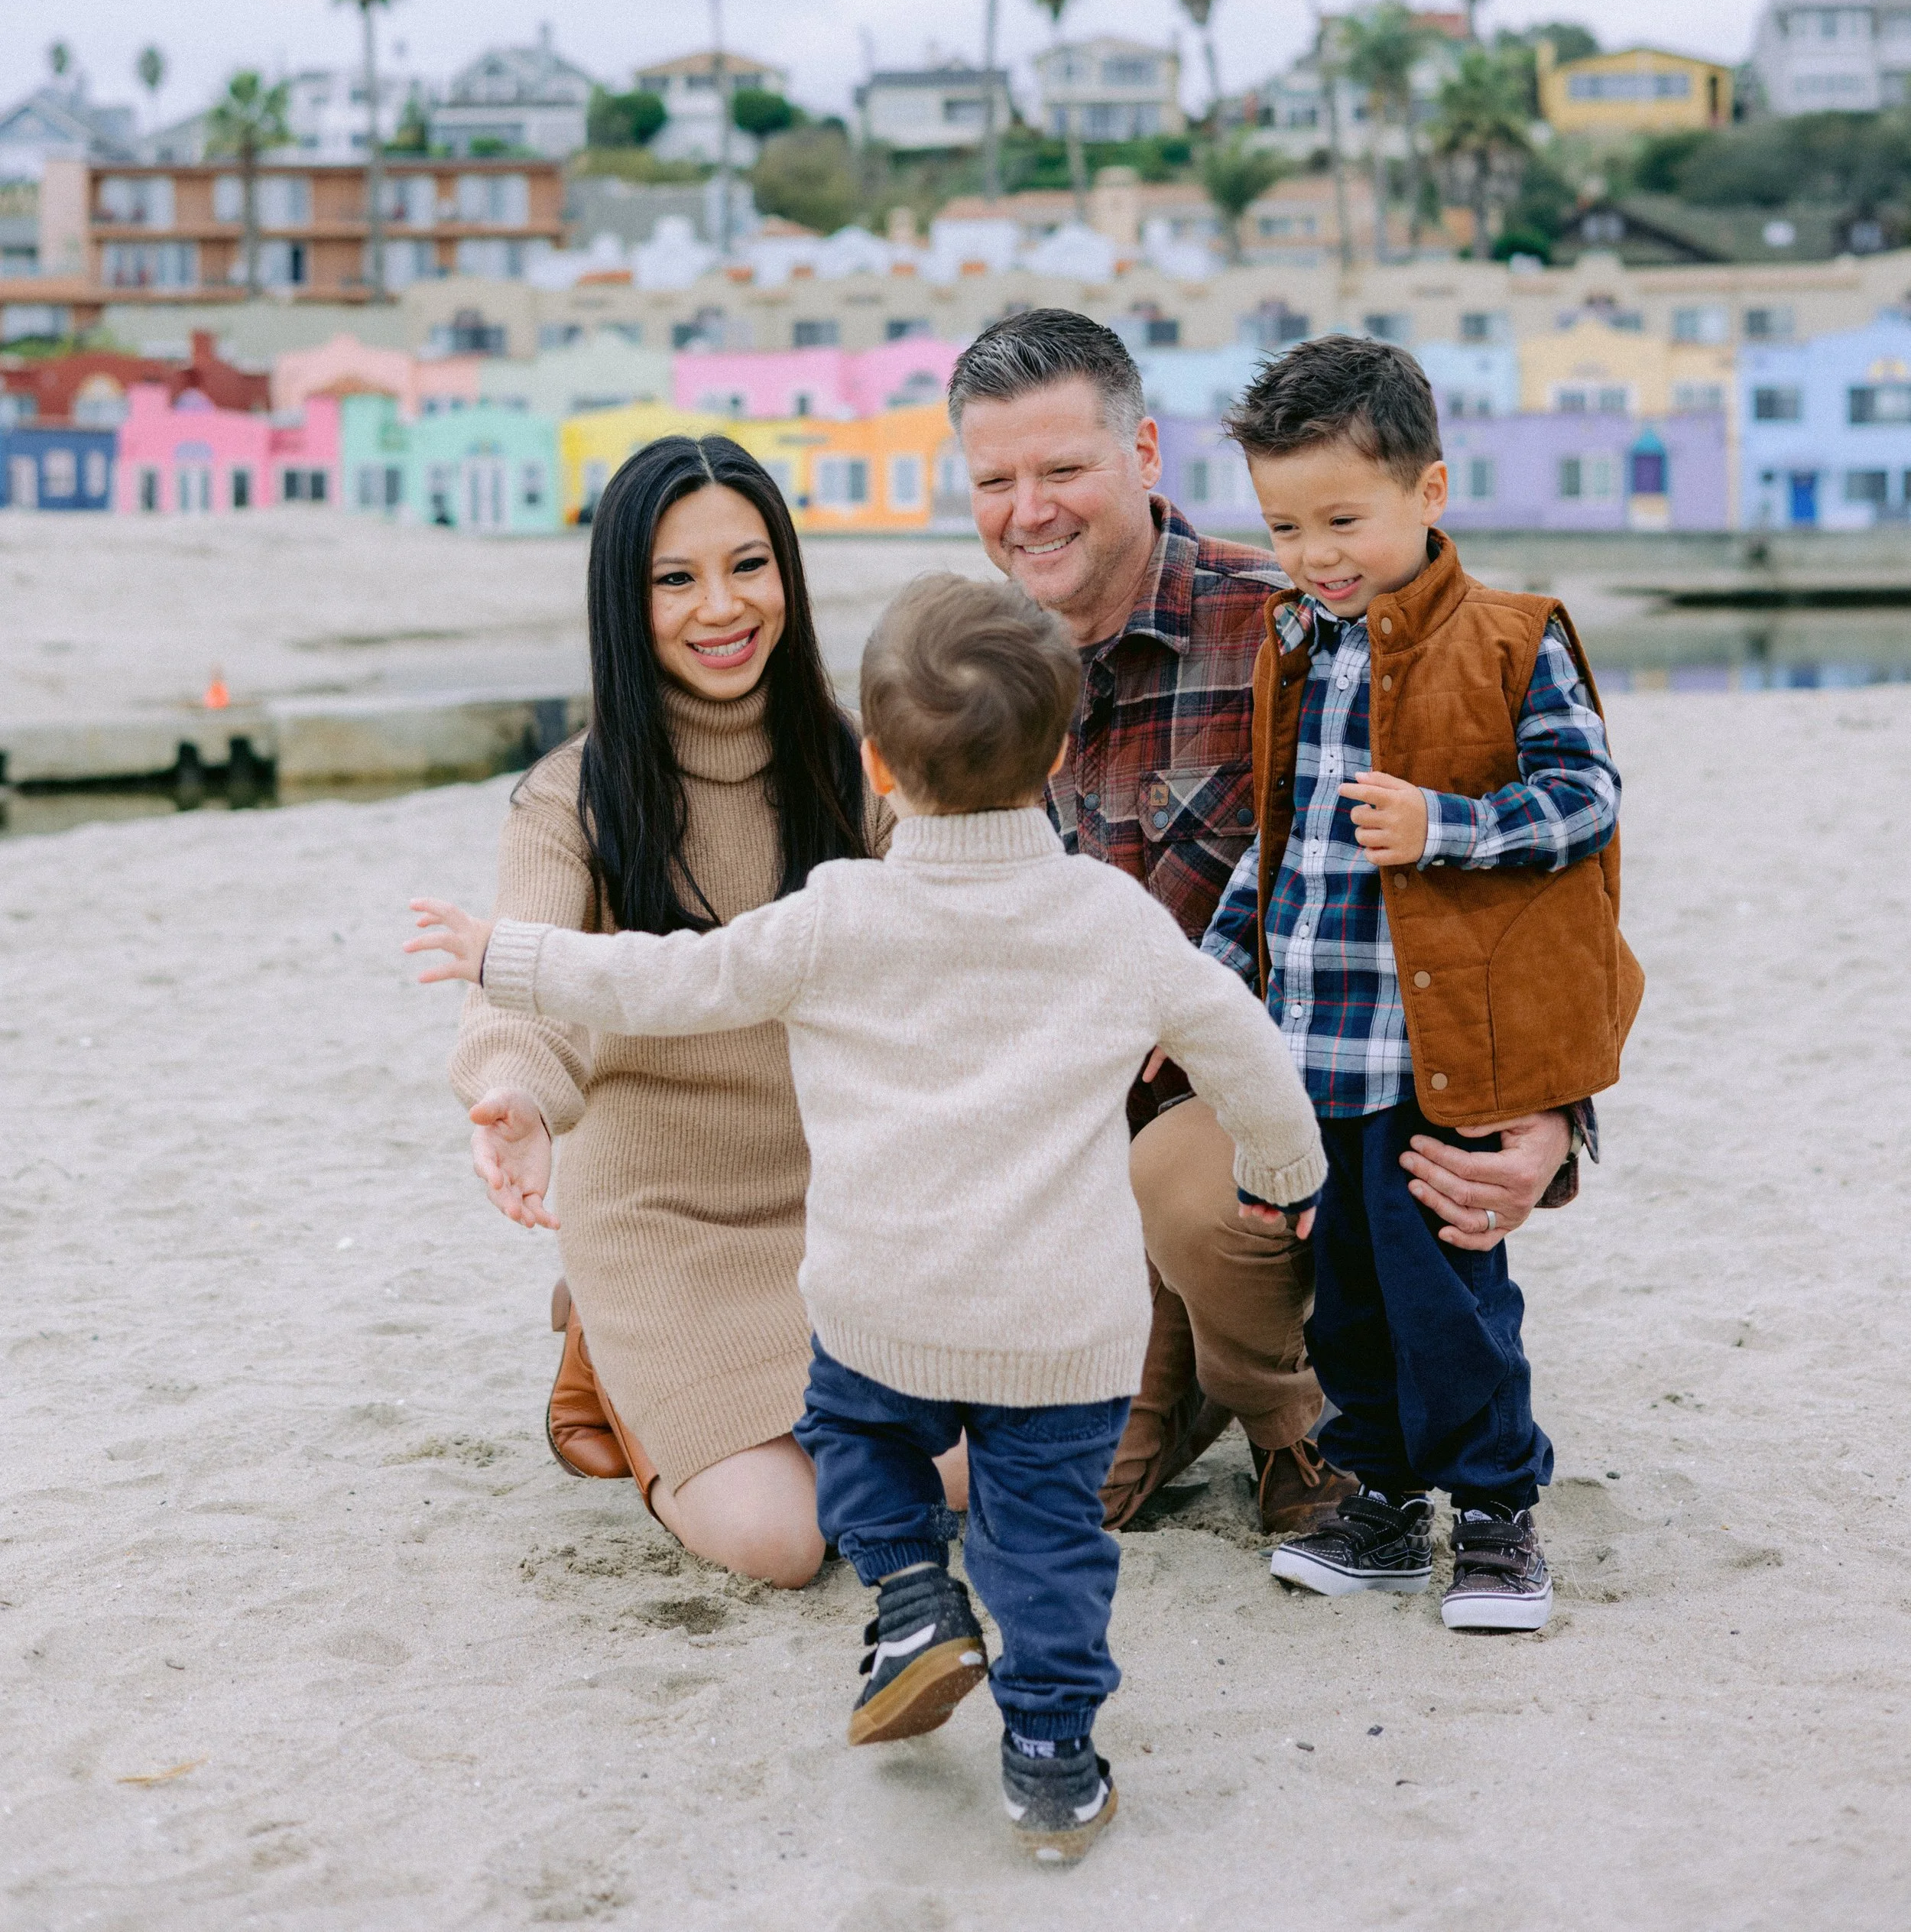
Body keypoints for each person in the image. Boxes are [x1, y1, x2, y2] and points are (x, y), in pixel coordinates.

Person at [411, 573, 1323, 1863]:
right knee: (1048, 1541)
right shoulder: (1114, 923)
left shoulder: (844, 911)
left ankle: (907, 1598)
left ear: (880, 765)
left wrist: (510, 954)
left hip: (880, 1304)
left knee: (853, 1430)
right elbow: (1251, 1062)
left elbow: (676, 978)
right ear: (1060, 755)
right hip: (1064, 1331)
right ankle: (1054, 1756)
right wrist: (1283, 1179)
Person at [949, 310, 1584, 1538]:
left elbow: (1532, 866)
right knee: (1079, 1500)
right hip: (1074, 1176)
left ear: (1142, 452)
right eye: (995, 480)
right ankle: (1185, 1370)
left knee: (1187, 1184)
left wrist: (1556, 1112)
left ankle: (1302, 1426)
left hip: (1266, 1123)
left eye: (1062, 468)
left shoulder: (1300, 625)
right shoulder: (976, 675)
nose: (1029, 509)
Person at [1205, 335, 1642, 1629]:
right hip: (1314, 1052)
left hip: (1437, 1053)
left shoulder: (1512, 640)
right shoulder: (1300, 643)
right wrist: (1209, 988)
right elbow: (1274, 852)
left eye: (1344, 518)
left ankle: (1500, 1521)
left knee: (1449, 1297)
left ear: (1431, 492)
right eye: (1285, 525)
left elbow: (1587, 801)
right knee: (1349, 1304)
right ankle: (1387, 1507)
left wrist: (1445, 824)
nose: (1315, 553)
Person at [446, 430, 896, 1589]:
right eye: (676, 578)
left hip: (838, 1200)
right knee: (780, 1541)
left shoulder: (857, 769)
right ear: (625, 599)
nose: (722, 607)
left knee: (966, 1472)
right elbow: (525, 973)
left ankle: (653, 1371)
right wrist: (516, 1097)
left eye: (749, 565)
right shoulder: (572, 797)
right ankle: (610, 1344)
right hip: (660, 1208)